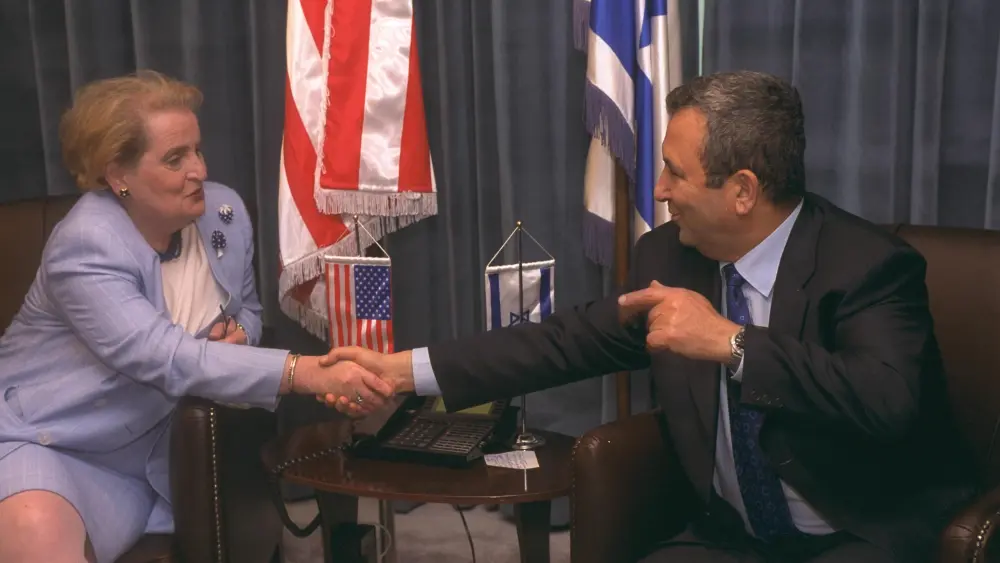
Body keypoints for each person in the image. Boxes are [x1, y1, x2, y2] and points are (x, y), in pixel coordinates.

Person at [321, 71, 975, 562]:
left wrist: (735, 342)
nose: (657, 190)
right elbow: (564, 340)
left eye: (673, 171)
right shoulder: (669, 255)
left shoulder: (867, 265)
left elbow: (888, 400)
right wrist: (404, 370)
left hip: (856, 532)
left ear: (743, 190)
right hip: (730, 537)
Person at [0, 70, 391, 563]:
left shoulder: (222, 212)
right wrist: (305, 371)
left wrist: (240, 335)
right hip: (53, 439)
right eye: (174, 159)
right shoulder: (86, 244)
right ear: (117, 175)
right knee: (37, 532)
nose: (200, 171)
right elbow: (162, 356)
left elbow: (247, 309)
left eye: (197, 150)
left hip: (156, 453)